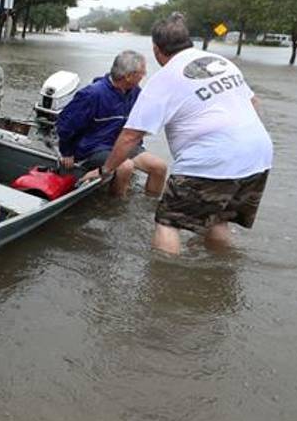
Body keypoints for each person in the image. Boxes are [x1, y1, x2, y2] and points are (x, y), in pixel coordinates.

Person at [90, 13, 273, 254]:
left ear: (156, 49)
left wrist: (105, 170)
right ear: (189, 41)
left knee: (168, 223)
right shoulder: (221, 62)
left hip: (210, 159)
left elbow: (130, 137)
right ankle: (223, 271)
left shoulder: (163, 79)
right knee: (218, 219)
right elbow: (254, 103)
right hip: (258, 155)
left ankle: (165, 281)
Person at [56, 50, 167, 197]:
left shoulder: (135, 92)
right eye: (142, 72)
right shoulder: (92, 94)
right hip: (94, 147)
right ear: (128, 76)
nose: (145, 74)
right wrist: (67, 152)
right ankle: (116, 206)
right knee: (126, 167)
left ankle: (151, 205)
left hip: (120, 145)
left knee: (159, 167)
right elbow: (65, 124)